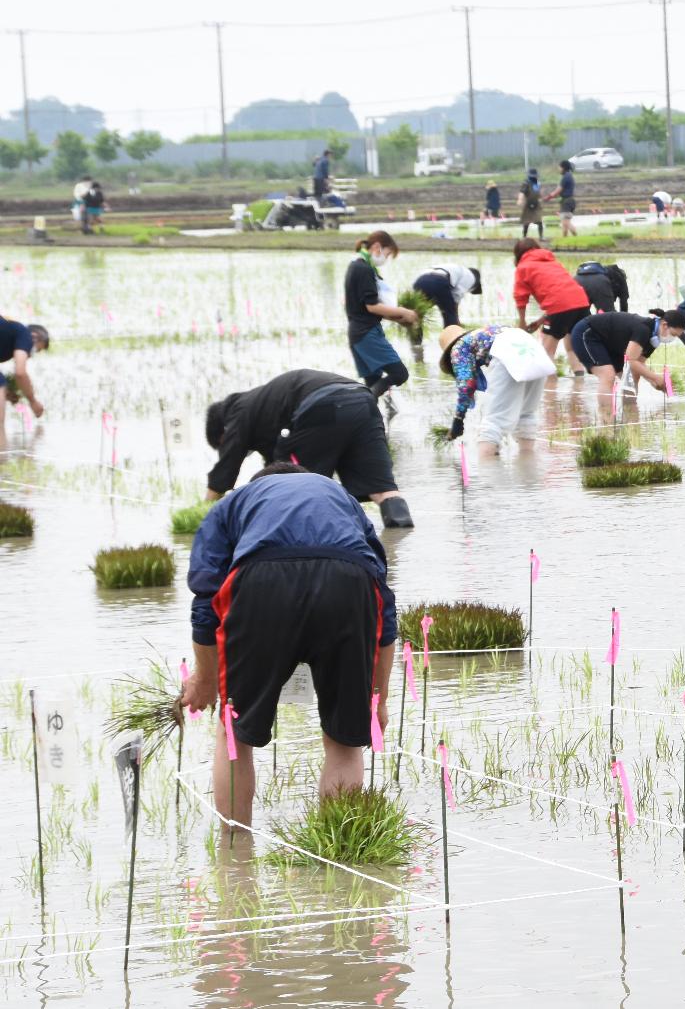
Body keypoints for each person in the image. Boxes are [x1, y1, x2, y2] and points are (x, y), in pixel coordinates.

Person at [179, 464, 397, 827]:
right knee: (345, 741)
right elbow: (384, 609)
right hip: (349, 581)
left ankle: (236, 856)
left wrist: (204, 679)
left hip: (261, 585)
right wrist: (379, 698)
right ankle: (339, 854)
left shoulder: (232, 504)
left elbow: (205, 600)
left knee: (234, 731)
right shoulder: (342, 498)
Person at [204, 368, 413, 526]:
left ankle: (314, 538)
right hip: (363, 401)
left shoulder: (238, 411)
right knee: (382, 489)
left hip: (324, 405)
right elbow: (275, 463)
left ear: (222, 429)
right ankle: (400, 536)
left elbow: (227, 466)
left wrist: (205, 513)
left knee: (298, 486)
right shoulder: (263, 405)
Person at [437, 322, 555, 454]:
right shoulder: (486, 333)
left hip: (508, 352)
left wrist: (458, 420)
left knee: (493, 422)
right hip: (532, 348)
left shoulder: (459, 347)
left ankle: (488, 472)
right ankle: (527, 464)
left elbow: (466, 385)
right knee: (526, 414)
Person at [344, 232, 416, 405]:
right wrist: (403, 311)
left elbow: (365, 308)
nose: (386, 258)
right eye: (388, 253)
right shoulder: (364, 269)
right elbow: (371, 306)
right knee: (400, 373)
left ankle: (372, 421)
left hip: (358, 333)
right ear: (377, 247)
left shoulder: (356, 265)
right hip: (367, 333)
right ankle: (363, 401)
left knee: (373, 381)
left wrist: (398, 318)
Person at [511, 237, 592, 364]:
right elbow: (562, 295)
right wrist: (540, 321)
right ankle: (579, 380)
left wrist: (522, 323)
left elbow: (520, 297)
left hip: (561, 306)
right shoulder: (552, 262)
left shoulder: (523, 267)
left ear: (518, 253)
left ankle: (550, 383)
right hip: (582, 302)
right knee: (574, 347)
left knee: (546, 352)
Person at [570, 308, 684, 398]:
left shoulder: (654, 339)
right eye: (673, 334)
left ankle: (630, 412)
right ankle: (606, 420)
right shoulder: (644, 329)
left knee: (632, 377)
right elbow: (630, 360)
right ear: (664, 325)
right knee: (608, 375)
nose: (672, 338)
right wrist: (655, 377)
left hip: (610, 344)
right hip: (587, 332)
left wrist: (654, 382)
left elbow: (638, 365)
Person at [408, 263, 482, 330]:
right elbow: (456, 297)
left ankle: (416, 342)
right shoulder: (470, 276)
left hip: (420, 281)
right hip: (439, 281)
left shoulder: (457, 269)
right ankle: (452, 341)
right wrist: (456, 322)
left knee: (417, 314)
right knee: (449, 315)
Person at [0, 318, 50, 416]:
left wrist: (7, 392)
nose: (30, 355)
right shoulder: (25, 334)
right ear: (34, 336)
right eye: (36, 350)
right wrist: (33, 401)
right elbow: (20, 373)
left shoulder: (7, 341)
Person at [518, 168, 544, 238]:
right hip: (527, 204)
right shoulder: (526, 183)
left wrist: (541, 196)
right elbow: (522, 192)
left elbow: (539, 193)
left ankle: (541, 236)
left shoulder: (537, 183)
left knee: (539, 220)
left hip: (536, 204)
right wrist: (520, 200)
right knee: (526, 222)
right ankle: (524, 236)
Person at [557, 159, 578, 237]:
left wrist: (549, 197)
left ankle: (576, 237)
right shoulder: (569, 175)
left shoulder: (566, 177)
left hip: (567, 202)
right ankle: (565, 239)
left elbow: (558, 190)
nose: (558, 169)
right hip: (569, 201)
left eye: (559, 167)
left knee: (566, 223)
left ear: (563, 168)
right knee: (565, 223)